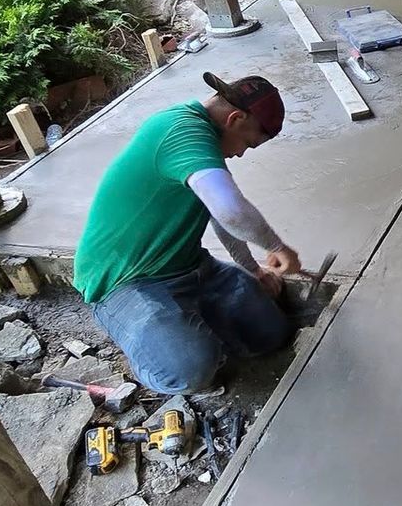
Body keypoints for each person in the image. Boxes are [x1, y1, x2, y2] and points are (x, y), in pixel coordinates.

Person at [74, 72, 301, 394]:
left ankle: (188, 325)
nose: (240, 154)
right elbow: (231, 210)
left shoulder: (202, 140)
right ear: (235, 118)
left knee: (269, 334)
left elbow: (218, 214)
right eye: (248, 144)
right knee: (188, 371)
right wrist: (277, 246)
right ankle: (154, 348)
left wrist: (252, 270)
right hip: (126, 280)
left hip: (190, 267)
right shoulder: (182, 132)